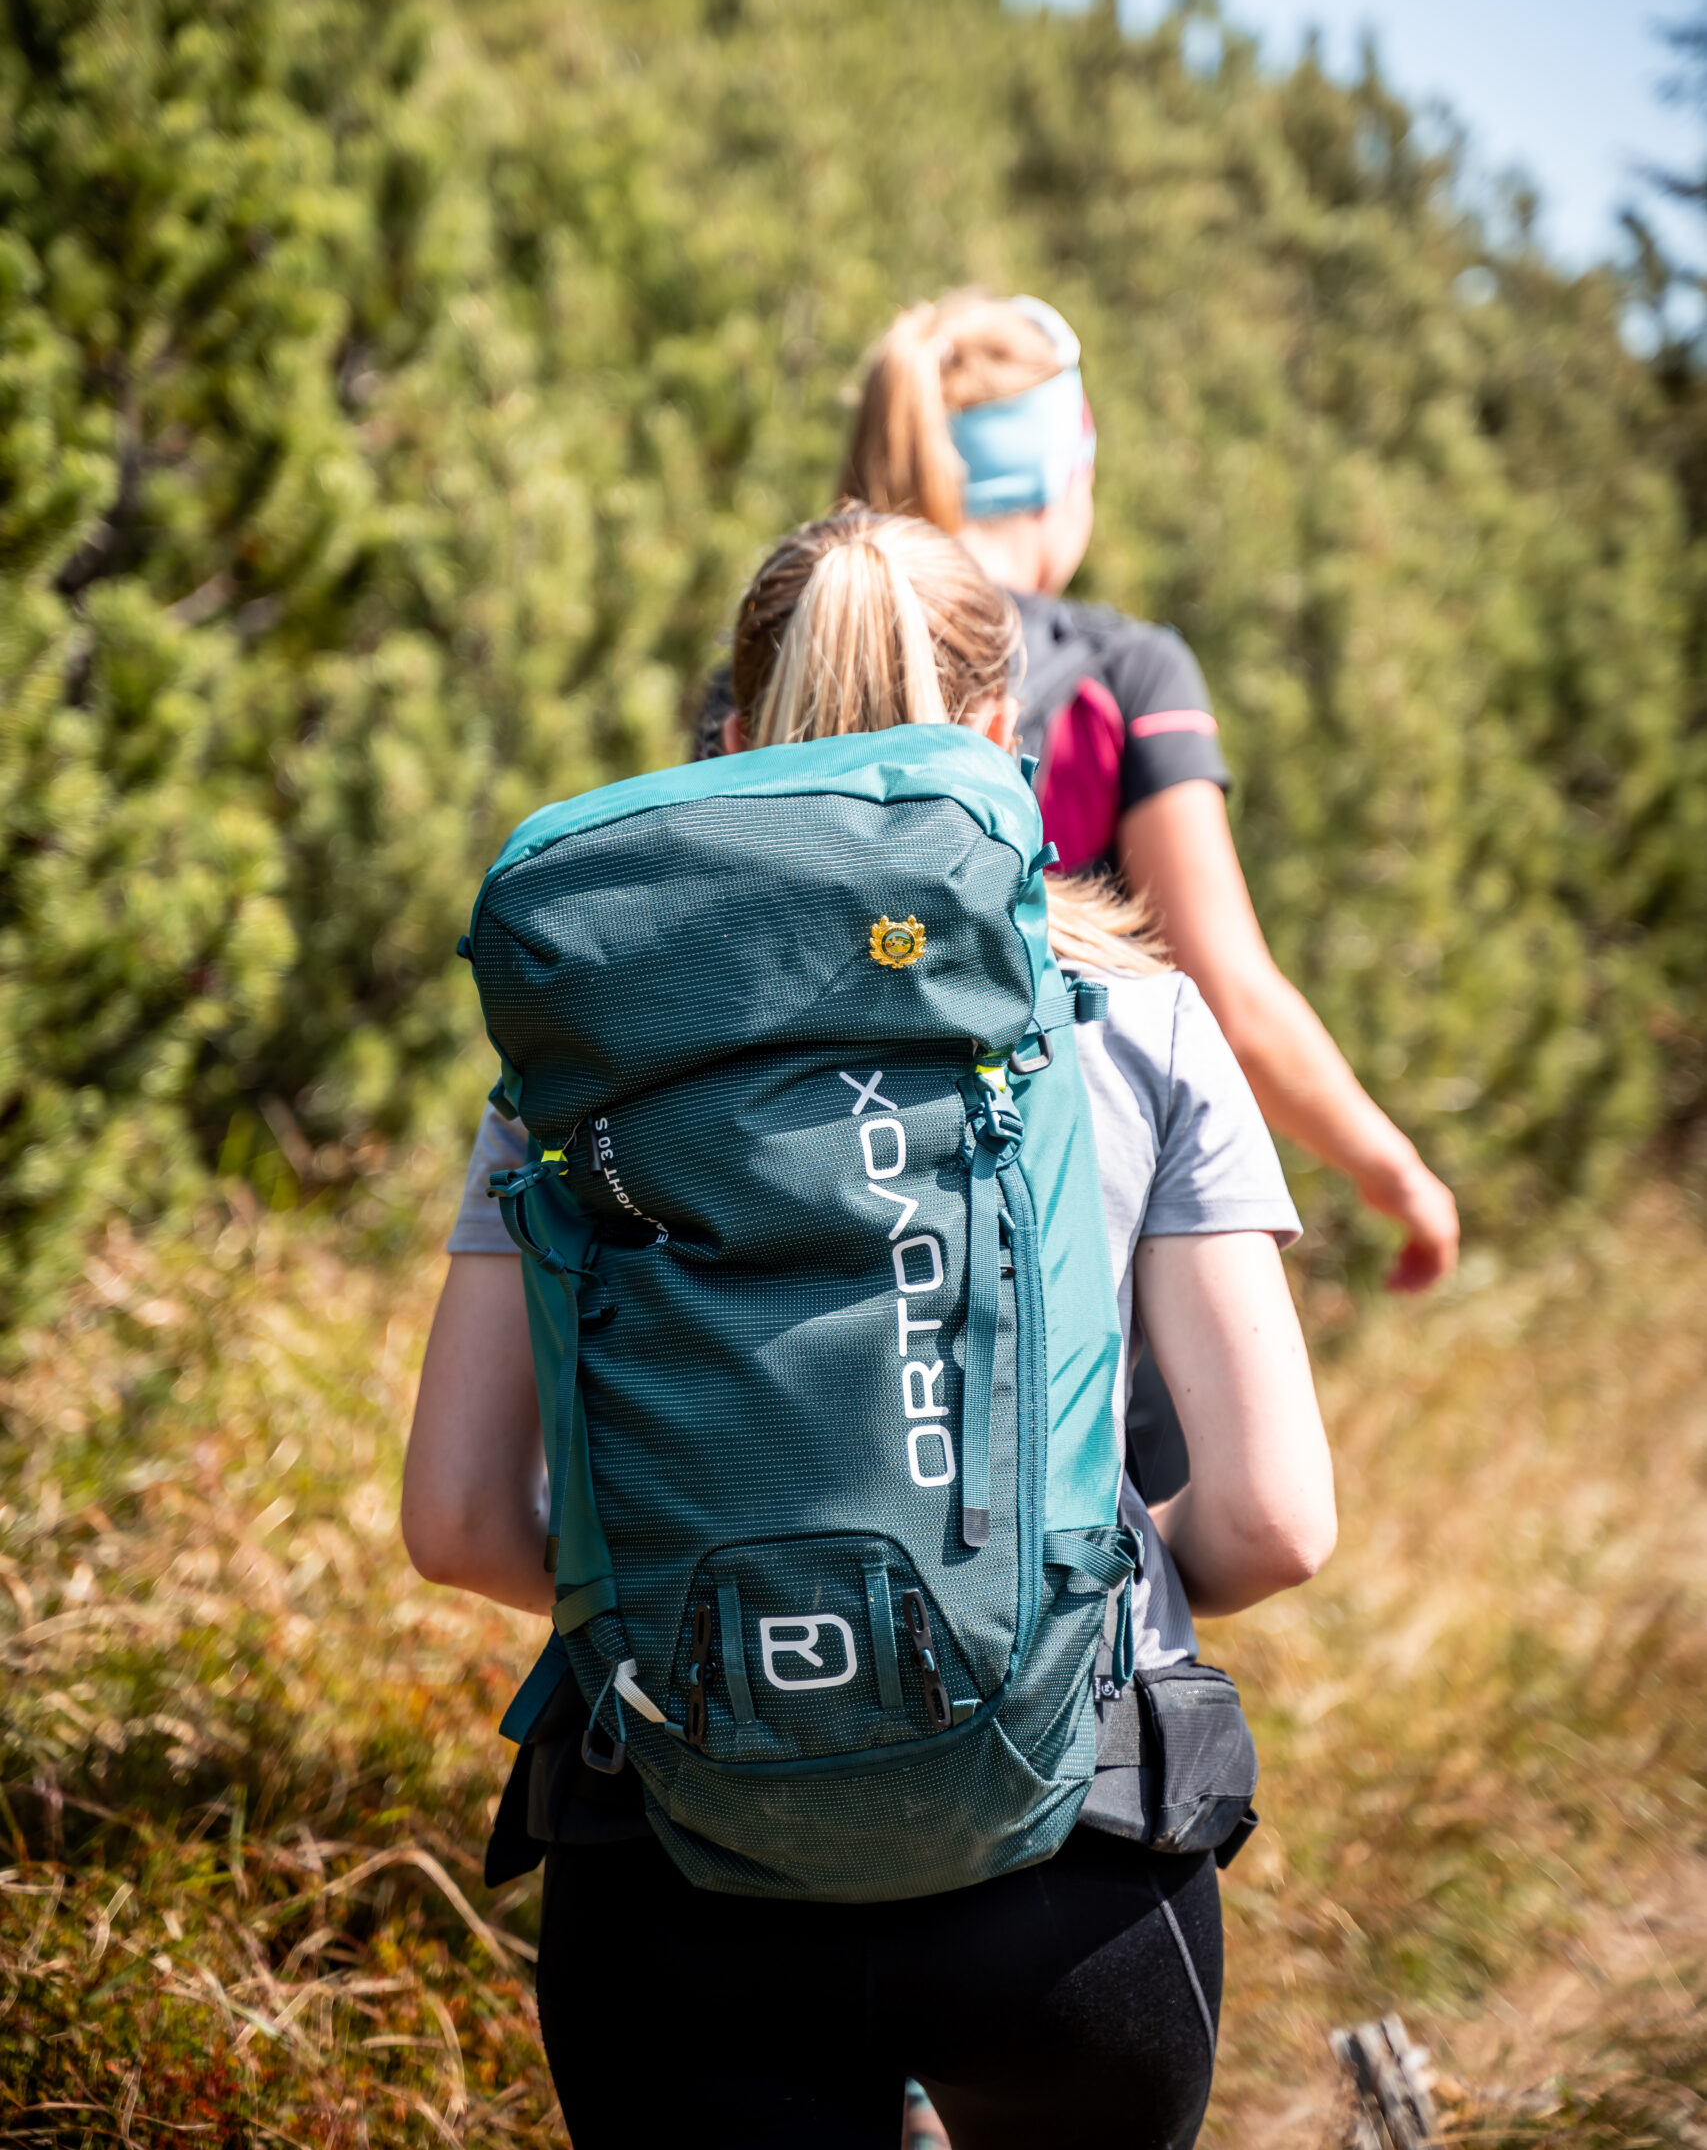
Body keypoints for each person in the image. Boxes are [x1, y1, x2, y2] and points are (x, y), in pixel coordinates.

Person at [404, 508, 1337, 2150]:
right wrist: (1027, 1600)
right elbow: (1272, 1518)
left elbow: (461, 1518)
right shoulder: (1139, 1025)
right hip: (1070, 1874)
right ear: (1005, 739)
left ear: (736, 739)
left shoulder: (571, 1072)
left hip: (674, 1864)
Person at [838, 290, 1460, 1327]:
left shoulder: (776, 669)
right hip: (1069, 1252)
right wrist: (1392, 1170)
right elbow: (1228, 995)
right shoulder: (1123, 674)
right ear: (1064, 472)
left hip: (818, 1242)